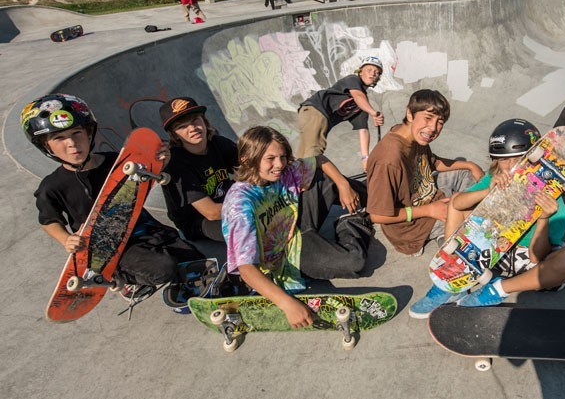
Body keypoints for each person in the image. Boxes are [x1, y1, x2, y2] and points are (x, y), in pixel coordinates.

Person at [22, 94, 204, 300]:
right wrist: (66, 239)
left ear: (89, 133)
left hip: (145, 229)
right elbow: (48, 220)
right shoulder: (52, 186)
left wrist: (161, 162)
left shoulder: (115, 161)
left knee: (194, 257)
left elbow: (145, 181)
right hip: (109, 249)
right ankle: (120, 277)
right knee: (165, 269)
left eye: (76, 133)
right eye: (59, 138)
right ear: (45, 146)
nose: (72, 143)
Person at [408, 119, 565, 318]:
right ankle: (452, 275)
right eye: (503, 160)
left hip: (528, 264)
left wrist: (544, 217)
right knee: (459, 200)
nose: (509, 166)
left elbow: (537, 256)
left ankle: (496, 290)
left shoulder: (554, 203)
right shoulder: (497, 178)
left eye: (517, 159)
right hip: (493, 251)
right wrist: (488, 190)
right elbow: (457, 205)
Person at [221, 126, 372, 327]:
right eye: (270, 159)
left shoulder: (284, 171)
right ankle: (352, 223)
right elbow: (246, 269)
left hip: (296, 224)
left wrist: (344, 185)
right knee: (354, 262)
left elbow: (319, 159)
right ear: (247, 159)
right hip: (283, 256)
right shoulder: (239, 204)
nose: (280, 165)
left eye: (283, 157)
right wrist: (287, 304)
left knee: (324, 177)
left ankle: (379, 198)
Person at [366, 89, 484, 256]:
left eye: (440, 122)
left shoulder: (412, 134)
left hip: (427, 194)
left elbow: (434, 162)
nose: (433, 128)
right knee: (472, 218)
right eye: (428, 118)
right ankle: (446, 237)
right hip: (412, 225)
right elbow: (377, 216)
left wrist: (470, 165)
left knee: (467, 175)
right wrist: (430, 210)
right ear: (410, 114)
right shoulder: (388, 159)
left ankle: (449, 227)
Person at [159, 97, 237, 244]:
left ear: (204, 121)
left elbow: (249, 172)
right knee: (241, 227)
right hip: (198, 221)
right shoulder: (176, 165)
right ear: (174, 134)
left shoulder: (218, 143)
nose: (192, 128)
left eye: (195, 120)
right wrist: (250, 204)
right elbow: (211, 212)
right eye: (182, 126)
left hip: (226, 201)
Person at [296, 56, 385, 169]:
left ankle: (293, 180)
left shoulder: (363, 105)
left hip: (311, 114)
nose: (373, 74)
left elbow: (363, 131)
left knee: (304, 151)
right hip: (315, 109)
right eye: (369, 70)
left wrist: (365, 159)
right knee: (315, 148)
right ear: (360, 71)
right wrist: (373, 112)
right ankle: (306, 183)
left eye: (377, 73)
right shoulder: (352, 79)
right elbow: (358, 96)